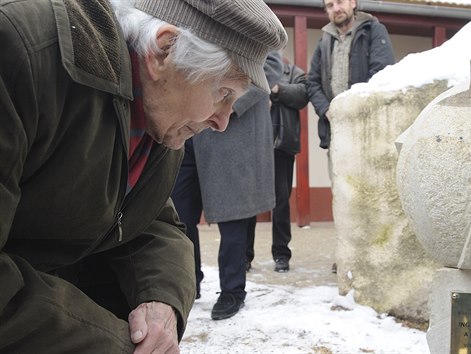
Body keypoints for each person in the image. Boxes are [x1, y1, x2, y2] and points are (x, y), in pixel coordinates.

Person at [0, 0, 286, 352]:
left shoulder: (159, 113)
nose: (222, 121)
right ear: (164, 51)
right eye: (223, 93)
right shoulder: (19, 50)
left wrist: (162, 301)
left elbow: (151, 221)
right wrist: (117, 343)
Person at [171, 51, 283, 320]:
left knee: (233, 217)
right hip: (190, 133)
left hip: (231, 133)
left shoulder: (248, 10)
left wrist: (224, 103)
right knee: (178, 216)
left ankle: (232, 291)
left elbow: (270, 68)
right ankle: (188, 283)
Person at [307, 0, 395, 273]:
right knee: (342, 193)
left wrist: (353, 109)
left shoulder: (373, 31)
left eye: (341, 2)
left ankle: (372, 254)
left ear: (353, 3)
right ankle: (347, 253)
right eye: (330, 4)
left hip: (366, 130)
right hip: (336, 133)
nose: (336, 8)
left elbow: (382, 74)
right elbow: (312, 82)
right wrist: (327, 110)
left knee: (370, 192)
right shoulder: (324, 40)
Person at [246, 58, 309, 273]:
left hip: (282, 145)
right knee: (248, 203)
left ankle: (281, 254)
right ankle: (245, 256)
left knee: (281, 201)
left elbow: (302, 94)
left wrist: (275, 89)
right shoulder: (252, 67)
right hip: (253, 144)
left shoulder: (294, 72)